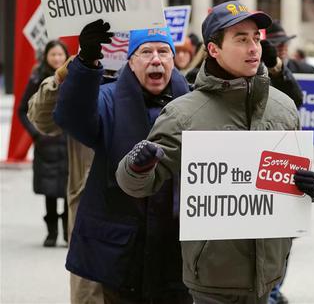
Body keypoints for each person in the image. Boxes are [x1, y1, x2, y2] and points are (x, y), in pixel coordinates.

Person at [115, 0, 314, 304]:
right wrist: (137, 165)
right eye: (241, 39)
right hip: (212, 280)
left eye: (255, 38)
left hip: (269, 276)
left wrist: (307, 188)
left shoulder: (283, 107)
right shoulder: (182, 114)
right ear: (214, 49)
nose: (253, 47)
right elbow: (136, 185)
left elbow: (284, 183)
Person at [53, 20, 193, 303]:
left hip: (175, 254)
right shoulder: (107, 98)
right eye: (146, 52)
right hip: (120, 252)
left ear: (173, 60)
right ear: (130, 62)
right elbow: (73, 118)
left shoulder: (192, 102)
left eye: (164, 52)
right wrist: (86, 62)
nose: (156, 59)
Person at [27, 56, 104, 303]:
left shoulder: (157, 86)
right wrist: (62, 76)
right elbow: (40, 118)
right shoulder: (80, 87)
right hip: (88, 225)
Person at [18, 39, 69, 247]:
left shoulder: (73, 76)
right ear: (46, 56)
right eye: (53, 55)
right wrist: (36, 134)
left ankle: (68, 231)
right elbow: (22, 110)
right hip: (45, 143)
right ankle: (51, 232)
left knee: (68, 189)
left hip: (67, 142)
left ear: (66, 57)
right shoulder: (37, 77)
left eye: (60, 55)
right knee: (49, 190)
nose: (57, 58)